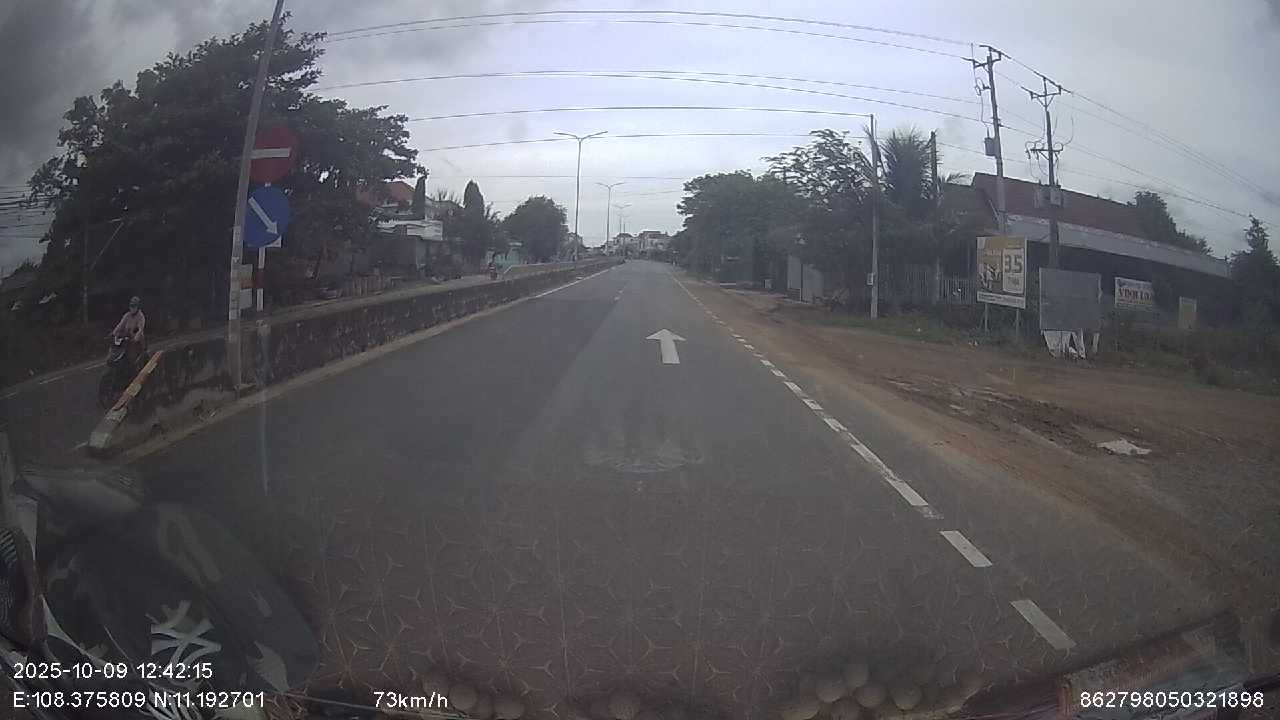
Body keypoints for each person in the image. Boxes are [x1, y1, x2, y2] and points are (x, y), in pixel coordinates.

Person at [112, 296, 147, 361]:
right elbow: (120, 325)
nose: (132, 308)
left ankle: (140, 356)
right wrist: (114, 333)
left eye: (134, 306)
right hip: (127, 336)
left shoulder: (141, 317)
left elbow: (140, 329)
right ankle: (116, 356)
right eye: (131, 306)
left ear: (138, 307)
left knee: (134, 354)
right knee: (118, 344)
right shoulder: (127, 315)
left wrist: (135, 339)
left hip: (137, 339)